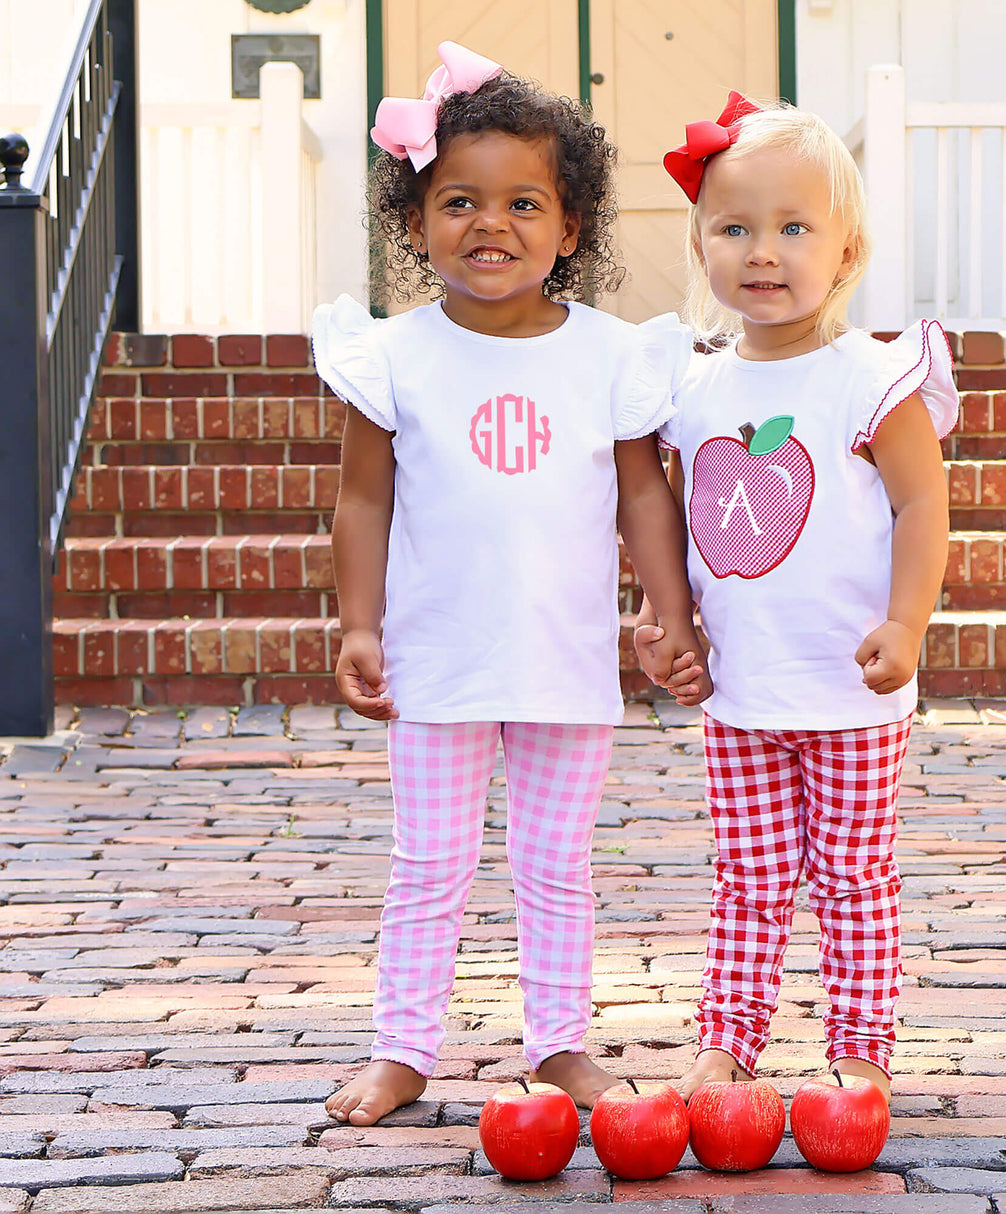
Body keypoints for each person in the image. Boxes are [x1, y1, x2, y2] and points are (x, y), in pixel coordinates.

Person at [311, 41, 708, 1127]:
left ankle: (558, 1040)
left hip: (562, 651)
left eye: (523, 202)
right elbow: (363, 502)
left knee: (555, 864)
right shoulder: (390, 356)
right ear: (412, 222)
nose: (490, 224)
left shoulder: (607, 356)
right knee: (428, 863)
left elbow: (642, 496)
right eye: (457, 201)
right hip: (437, 653)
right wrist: (358, 624)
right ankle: (402, 1045)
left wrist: (671, 611)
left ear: (569, 229)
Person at [634, 93, 957, 1107]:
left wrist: (905, 621)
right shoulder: (690, 391)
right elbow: (675, 531)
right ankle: (726, 1039)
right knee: (748, 876)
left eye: (790, 227)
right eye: (733, 228)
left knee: (854, 877)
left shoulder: (869, 378)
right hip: (741, 689)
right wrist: (665, 629)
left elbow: (919, 504)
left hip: (851, 689)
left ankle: (859, 1048)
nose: (760, 251)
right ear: (699, 244)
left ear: (845, 247)